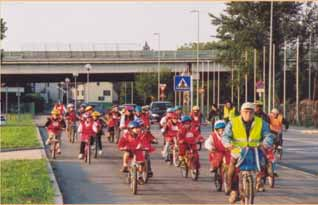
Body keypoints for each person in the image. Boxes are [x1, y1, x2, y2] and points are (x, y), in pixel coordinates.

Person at [222, 102, 274, 203]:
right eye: (246, 112)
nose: (248, 114)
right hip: (238, 150)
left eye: (251, 112)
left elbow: (268, 135)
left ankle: (262, 181)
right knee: (232, 168)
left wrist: (265, 144)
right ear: (241, 112)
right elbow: (225, 136)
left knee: (266, 163)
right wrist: (228, 144)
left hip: (255, 150)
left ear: (254, 112)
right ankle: (232, 189)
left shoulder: (261, 122)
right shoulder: (233, 122)